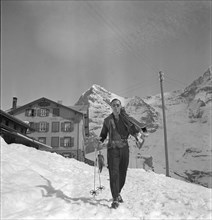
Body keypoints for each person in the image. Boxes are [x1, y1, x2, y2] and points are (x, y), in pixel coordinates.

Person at [99, 98, 147, 209]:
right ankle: (115, 198)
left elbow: (139, 127)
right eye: (113, 105)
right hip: (112, 149)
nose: (115, 107)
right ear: (111, 107)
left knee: (122, 173)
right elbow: (103, 135)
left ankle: (118, 192)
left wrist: (142, 134)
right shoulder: (107, 120)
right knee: (114, 173)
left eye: (117, 105)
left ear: (120, 107)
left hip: (125, 148)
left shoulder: (127, 119)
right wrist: (99, 142)